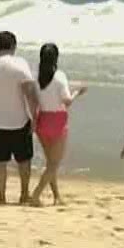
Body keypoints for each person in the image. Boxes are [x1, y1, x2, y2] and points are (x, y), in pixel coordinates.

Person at [0, 30, 40, 205]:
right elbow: (30, 94)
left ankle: (2, 197)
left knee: (0, 162)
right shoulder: (20, 65)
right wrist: (35, 117)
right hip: (18, 120)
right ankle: (24, 194)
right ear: (13, 46)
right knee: (24, 160)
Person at [31, 42, 88, 206]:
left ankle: (57, 196)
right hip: (57, 120)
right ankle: (36, 194)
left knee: (51, 163)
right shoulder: (59, 76)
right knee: (54, 163)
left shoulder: (36, 77)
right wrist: (78, 92)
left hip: (42, 119)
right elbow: (67, 101)